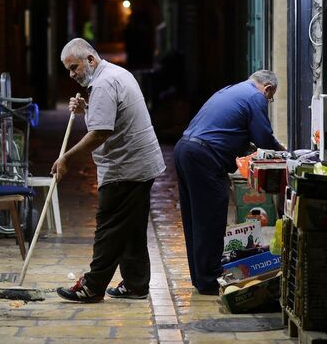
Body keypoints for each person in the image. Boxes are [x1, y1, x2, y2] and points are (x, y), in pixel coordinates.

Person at [51, 38, 165, 303]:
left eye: (74, 67)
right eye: (68, 70)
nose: (72, 75)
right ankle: (136, 284)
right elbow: (109, 116)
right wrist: (86, 109)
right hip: (139, 164)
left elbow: (101, 132)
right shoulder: (114, 74)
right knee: (132, 227)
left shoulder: (103, 83)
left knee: (109, 227)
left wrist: (66, 157)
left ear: (90, 59)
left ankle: (92, 286)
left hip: (125, 168)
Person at [174, 70, 285, 295]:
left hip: (185, 150)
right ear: (268, 89)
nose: (268, 101)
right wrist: (284, 152)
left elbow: (228, 130)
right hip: (204, 157)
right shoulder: (256, 97)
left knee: (195, 219)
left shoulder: (232, 90)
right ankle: (209, 280)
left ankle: (201, 277)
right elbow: (263, 137)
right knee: (211, 218)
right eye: (270, 98)